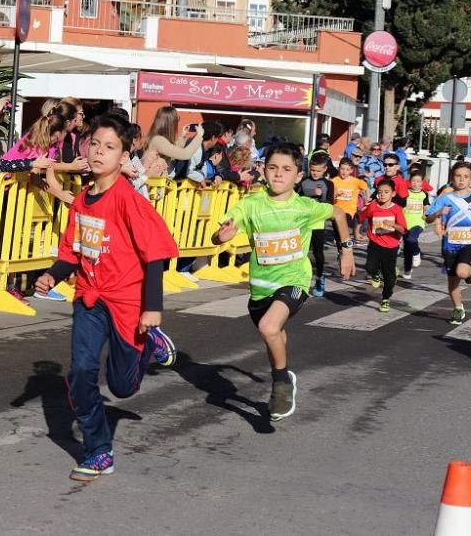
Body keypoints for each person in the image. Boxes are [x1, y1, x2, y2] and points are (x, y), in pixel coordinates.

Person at [34, 113, 179, 482]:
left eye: (109, 147)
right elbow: (72, 251)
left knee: (122, 386)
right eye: (94, 144)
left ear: (123, 155)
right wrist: (54, 274)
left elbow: (156, 252)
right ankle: (98, 450)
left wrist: (153, 310)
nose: (99, 152)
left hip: (128, 302)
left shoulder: (128, 200)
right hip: (89, 298)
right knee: (81, 372)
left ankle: (149, 345)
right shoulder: (82, 199)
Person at [213, 143, 355, 422]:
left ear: (298, 177)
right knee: (273, 334)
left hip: (294, 280)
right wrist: (221, 236)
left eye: (287, 169)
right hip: (261, 287)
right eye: (273, 168)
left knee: (269, 327)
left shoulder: (304, 206)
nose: (279, 175)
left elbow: (338, 214)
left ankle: (280, 383)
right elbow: (221, 232)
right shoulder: (251, 204)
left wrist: (346, 249)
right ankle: (284, 372)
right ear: (264, 171)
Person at [426, 161, 471, 325]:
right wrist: (439, 213)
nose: (461, 180)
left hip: (469, 242)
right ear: (452, 178)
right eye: (458, 176)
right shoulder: (445, 198)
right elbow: (427, 217)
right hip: (449, 244)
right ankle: (458, 308)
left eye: (465, 177)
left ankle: (470, 272)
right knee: (453, 280)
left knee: (462, 272)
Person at [359, 178, 406, 312]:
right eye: (380, 192)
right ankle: (375, 273)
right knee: (370, 266)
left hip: (391, 246)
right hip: (375, 242)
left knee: (389, 275)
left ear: (393, 194)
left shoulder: (396, 209)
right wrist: (357, 231)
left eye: (386, 192)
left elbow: (403, 229)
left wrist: (393, 225)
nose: (382, 194)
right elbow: (362, 217)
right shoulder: (373, 206)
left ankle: (385, 298)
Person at [298, 152, 334, 297]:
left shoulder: (328, 184)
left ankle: (319, 277)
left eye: (318, 171)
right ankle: (299, 279)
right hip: (303, 222)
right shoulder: (304, 181)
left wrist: (320, 196)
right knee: (301, 252)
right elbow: (297, 197)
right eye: (312, 170)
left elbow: (330, 204)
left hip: (318, 222)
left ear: (325, 169)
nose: (315, 173)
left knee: (317, 252)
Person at [144, 107, 204, 178]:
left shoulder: (157, 139)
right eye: (177, 119)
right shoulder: (158, 140)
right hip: (153, 185)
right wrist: (199, 136)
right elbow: (185, 154)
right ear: (171, 123)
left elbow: (172, 151)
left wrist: (182, 137)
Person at [331, 157, 368, 244]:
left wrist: (367, 199)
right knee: (337, 231)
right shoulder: (333, 181)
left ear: (351, 171)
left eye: (347, 169)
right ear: (338, 168)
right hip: (336, 210)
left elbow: (365, 187)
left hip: (349, 211)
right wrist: (335, 195)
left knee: (343, 226)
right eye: (342, 169)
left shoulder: (355, 181)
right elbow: (330, 195)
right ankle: (340, 248)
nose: (344, 171)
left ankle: (344, 244)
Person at [402, 172, 430, 279]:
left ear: (422, 183)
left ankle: (417, 252)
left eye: (418, 181)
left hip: (418, 222)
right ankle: (408, 270)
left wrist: (425, 213)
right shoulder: (406, 193)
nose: (415, 183)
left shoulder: (424, 194)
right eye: (413, 181)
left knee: (412, 239)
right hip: (405, 223)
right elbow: (400, 206)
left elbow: (426, 206)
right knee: (407, 248)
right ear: (410, 181)